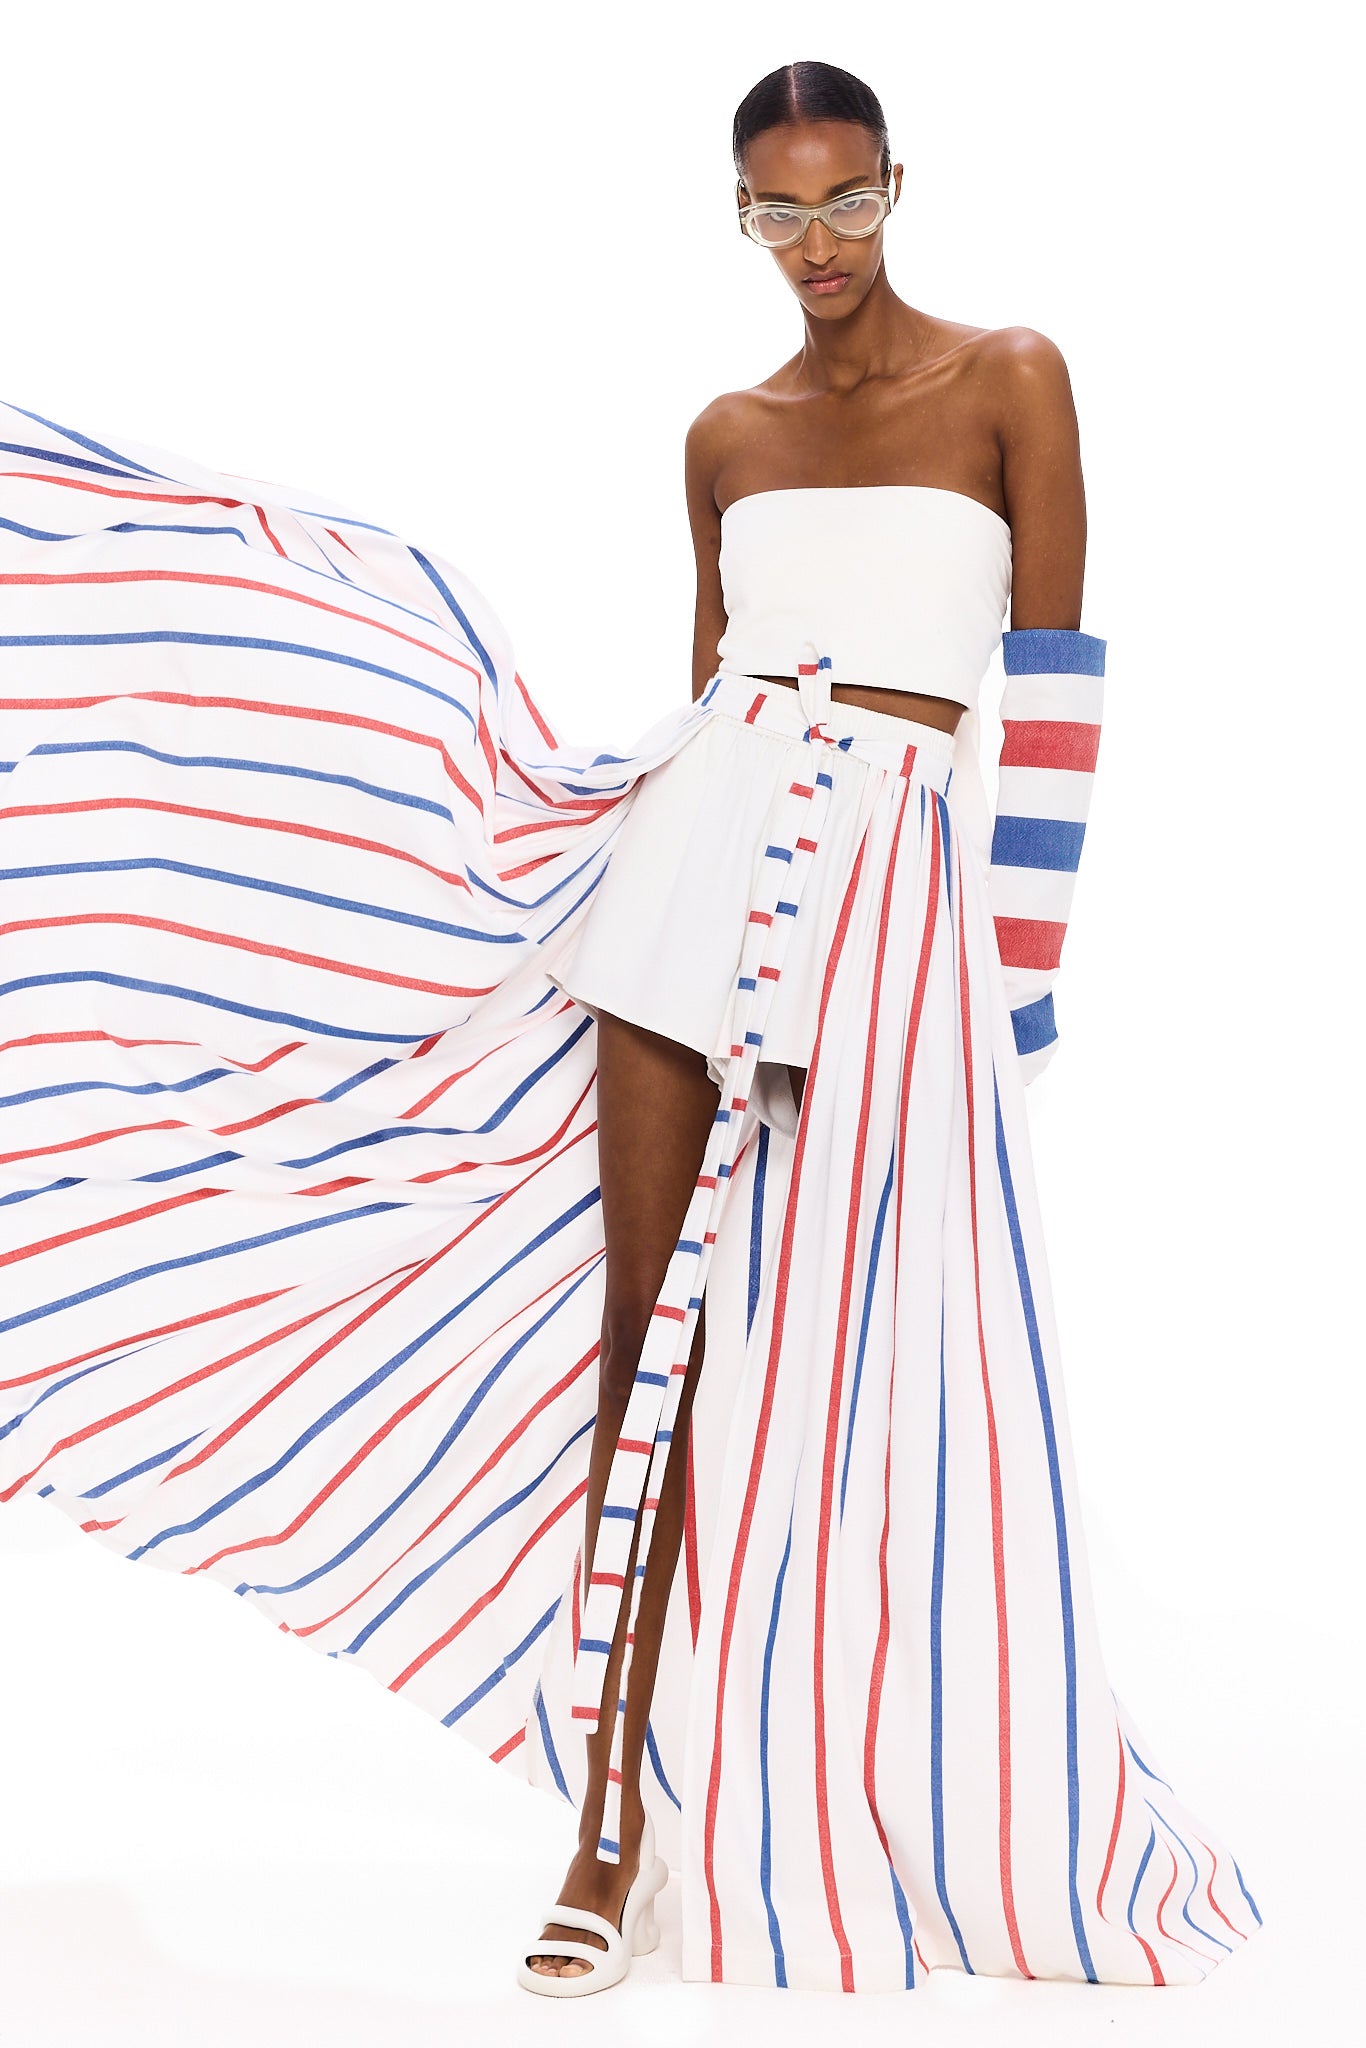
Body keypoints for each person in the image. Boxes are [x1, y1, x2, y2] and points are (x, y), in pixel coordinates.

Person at [0, 60, 1261, 2003]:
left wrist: (1011, 988)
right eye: (780, 211)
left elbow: (1058, 686)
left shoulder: (1011, 376)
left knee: (879, 1353)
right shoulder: (725, 434)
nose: (818, 244)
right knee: (643, 1348)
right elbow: (706, 691)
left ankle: (870, 1783)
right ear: (739, 216)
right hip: (692, 873)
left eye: (847, 201)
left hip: (896, 908)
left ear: (897, 186)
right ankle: (606, 1822)